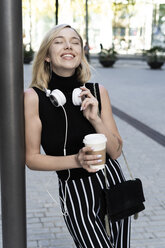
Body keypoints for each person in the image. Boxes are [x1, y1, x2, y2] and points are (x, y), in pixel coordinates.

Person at [24, 24, 131, 248]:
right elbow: (32, 159)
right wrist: (77, 160)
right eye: (59, 41)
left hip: (114, 183)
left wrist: (96, 119)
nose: (68, 46)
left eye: (75, 41)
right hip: (75, 191)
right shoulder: (34, 98)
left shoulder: (97, 91)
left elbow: (116, 151)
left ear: (81, 52)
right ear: (46, 55)